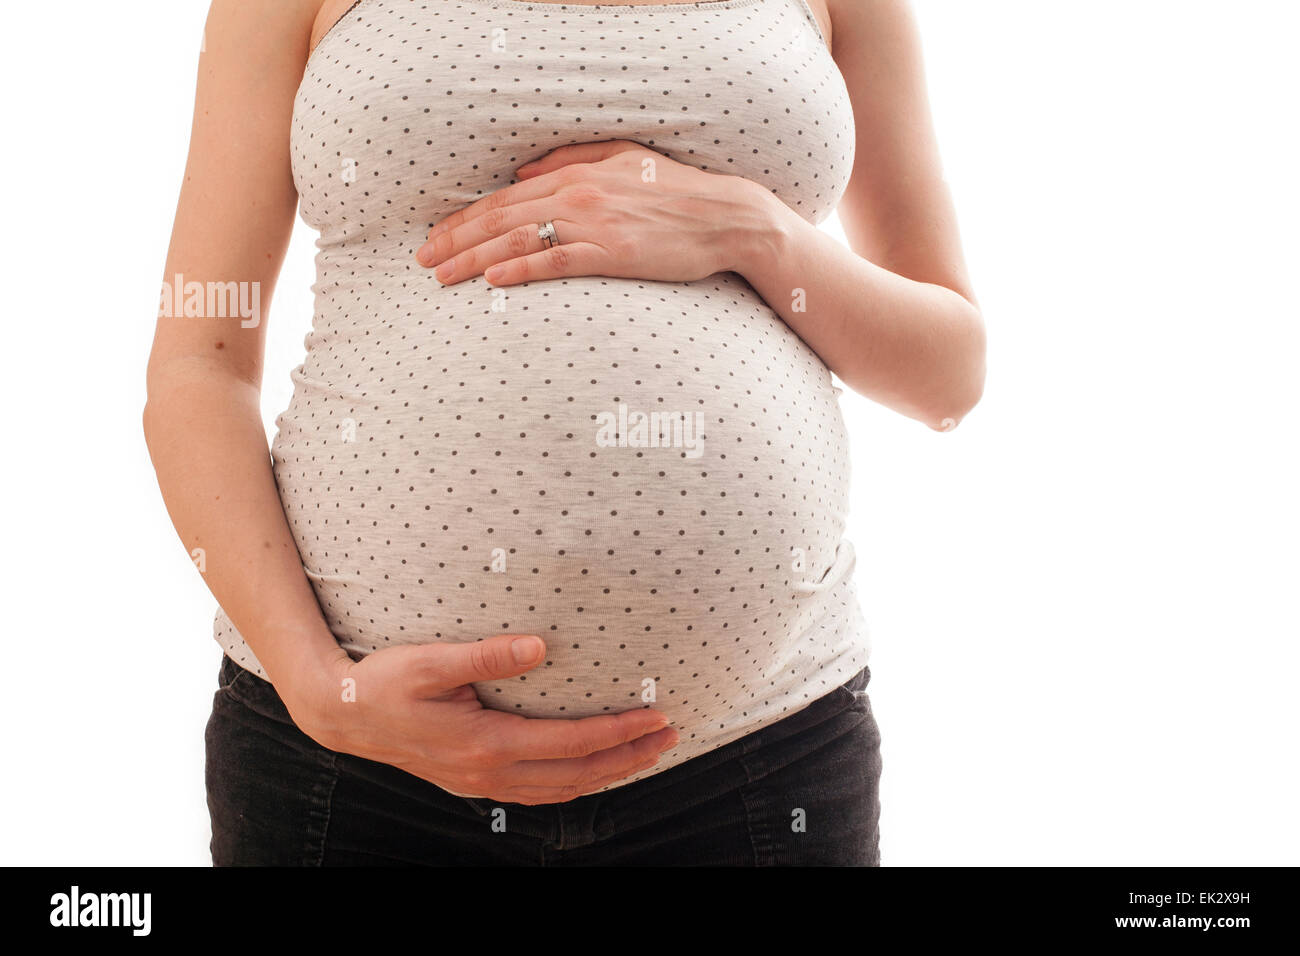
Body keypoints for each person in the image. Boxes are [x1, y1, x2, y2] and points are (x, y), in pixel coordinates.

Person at [144, 0, 984, 866]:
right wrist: (320, 689)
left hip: (757, 758)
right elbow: (199, 367)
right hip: (355, 760)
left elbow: (949, 374)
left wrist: (751, 231)